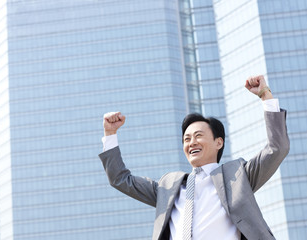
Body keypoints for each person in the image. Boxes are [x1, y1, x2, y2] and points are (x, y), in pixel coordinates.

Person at [98, 75, 289, 240]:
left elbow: (277, 148)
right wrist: (110, 134)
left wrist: (265, 94)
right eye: (186, 139)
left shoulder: (239, 175)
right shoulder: (168, 187)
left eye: (198, 136)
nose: (191, 143)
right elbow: (120, 179)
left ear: (218, 142)